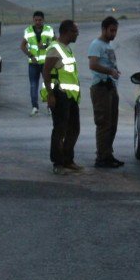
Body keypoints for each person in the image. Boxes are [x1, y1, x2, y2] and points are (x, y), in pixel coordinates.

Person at [42, 20, 83, 174]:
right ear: (66, 32)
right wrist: (50, 95)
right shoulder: (55, 49)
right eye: (75, 31)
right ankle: (58, 163)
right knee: (60, 130)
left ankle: (68, 160)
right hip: (59, 95)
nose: (77, 34)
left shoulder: (67, 49)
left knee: (74, 129)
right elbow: (46, 72)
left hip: (70, 96)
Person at [88, 16, 124, 169]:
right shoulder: (96, 45)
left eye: (115, 31)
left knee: (112, 124)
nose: (113, 34)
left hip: (110, 86)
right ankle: (101, 157)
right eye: (111, 30)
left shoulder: (108, 46)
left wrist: (114, 71)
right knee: (104, 124)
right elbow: (93, 64)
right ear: (103, 29)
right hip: (101, 87)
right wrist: (109, 71)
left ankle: (108, 154)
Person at [21, 11, 55, 116]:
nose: (38, 22)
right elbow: (22, 46)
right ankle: (35, 107)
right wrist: (30, 55)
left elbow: (56, 43)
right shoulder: (28, 31)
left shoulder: (49, 30)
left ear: (43, 20)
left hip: (46, 63)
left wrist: (46, 45)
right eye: (36, 20)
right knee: (33, 85)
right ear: (33, 20)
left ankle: (50, 107)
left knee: (48, 85)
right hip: (33, 63)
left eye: (40, 20)